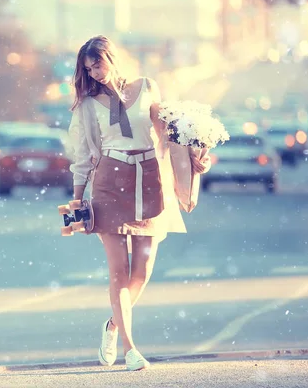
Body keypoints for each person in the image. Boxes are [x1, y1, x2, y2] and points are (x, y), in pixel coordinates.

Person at [67, 35, 210, 371]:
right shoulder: (88, 105)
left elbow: (170, 136)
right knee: (118, 272)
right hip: (108, 184)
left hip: (149, 179)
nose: (96, 73)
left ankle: (113, 324)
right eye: (89, 69)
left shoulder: (147, 87)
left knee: (141, 273)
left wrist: (194, 157)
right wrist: (77, 198)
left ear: (111, 58)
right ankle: (131, 349)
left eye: (98, 64)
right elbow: (84, 153)